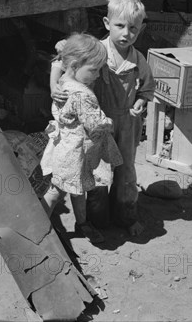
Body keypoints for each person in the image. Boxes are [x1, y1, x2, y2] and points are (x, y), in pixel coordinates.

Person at [51, 0, 155, 236]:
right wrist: (55, 85)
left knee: (125, 170)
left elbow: (147, 88)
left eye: (133, 28)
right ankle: (98, 219)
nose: (126, 33)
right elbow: (60, 60)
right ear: (107, 23)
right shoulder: (95, 51)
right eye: (120, 26)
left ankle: (126, 216)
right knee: (98, 171)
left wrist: (140, 101)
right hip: (96, 122)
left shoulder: (139, 60)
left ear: (141, 29)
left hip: (127, 123)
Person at [40, 33, 123, 245]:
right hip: (73, 151)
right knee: (56, 190)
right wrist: (110, 123)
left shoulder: (63, 82)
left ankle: (82, 222)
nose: (97, 75)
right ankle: (37, 229)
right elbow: (95, 124)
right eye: (94, 70)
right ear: (76, 65)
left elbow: (59, 62)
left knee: (78, 189)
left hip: (66, 146)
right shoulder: (80, 94)